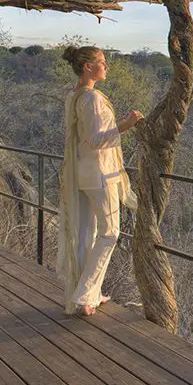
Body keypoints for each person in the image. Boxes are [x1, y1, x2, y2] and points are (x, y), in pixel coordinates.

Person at [58, 46, 142, 316]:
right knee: (110, 233)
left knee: (88, 234)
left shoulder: (75, 95)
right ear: (88, 67)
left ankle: (88, 295)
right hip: (99, 174)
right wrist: (125, 125)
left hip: (85, 172)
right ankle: (84, 294)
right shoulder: (91, 98)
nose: (106, 67)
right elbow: (94, 140)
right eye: (102, 62)